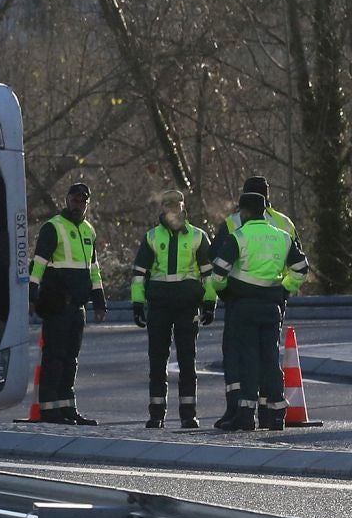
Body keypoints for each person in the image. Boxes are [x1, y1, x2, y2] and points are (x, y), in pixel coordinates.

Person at [208, 190, 310, 431]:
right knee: (270, 359)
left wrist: (225, 292)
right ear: (264, 211)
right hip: (272, 306)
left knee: (249, 360)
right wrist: (285, 288)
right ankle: (276, 415)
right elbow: (302, 268)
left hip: (244, 305)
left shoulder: (239, 237)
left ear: (244, 212)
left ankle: (245, 415)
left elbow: (218, 274)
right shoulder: (282, 236)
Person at [130, 190, 214, 429]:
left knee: (188, 362)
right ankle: (156, 413)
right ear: (163, 210)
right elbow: (139, 275)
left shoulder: (198, 236)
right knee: (157, 362)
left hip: (187, 307)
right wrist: (137, 304)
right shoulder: (152, 237)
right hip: (159, 306)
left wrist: (209, 303)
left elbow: (209, 275)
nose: (172, 213)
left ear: (182, 208)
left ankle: (189, 414)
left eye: (176, 208)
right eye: (168, 208)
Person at [28, 181, 107, 425]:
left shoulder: (89, 231)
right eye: (74, 199)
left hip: (78, 306)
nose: (78, 204)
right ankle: (49, 409)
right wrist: (32, 294)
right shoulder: (53, 227)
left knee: (71, 358)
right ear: (66, 200)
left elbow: (93, 269)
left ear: (87, 203)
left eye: (82, 200)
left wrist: (99, 301)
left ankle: (67, 408)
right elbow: (38, 263)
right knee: (54, 357)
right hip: (57, 302)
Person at [225, 176, 298, 240]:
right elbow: (297, 253)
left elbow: (217, 253)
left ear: (246, 196)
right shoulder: (286, 222)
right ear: (267, 195)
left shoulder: (232, 222)